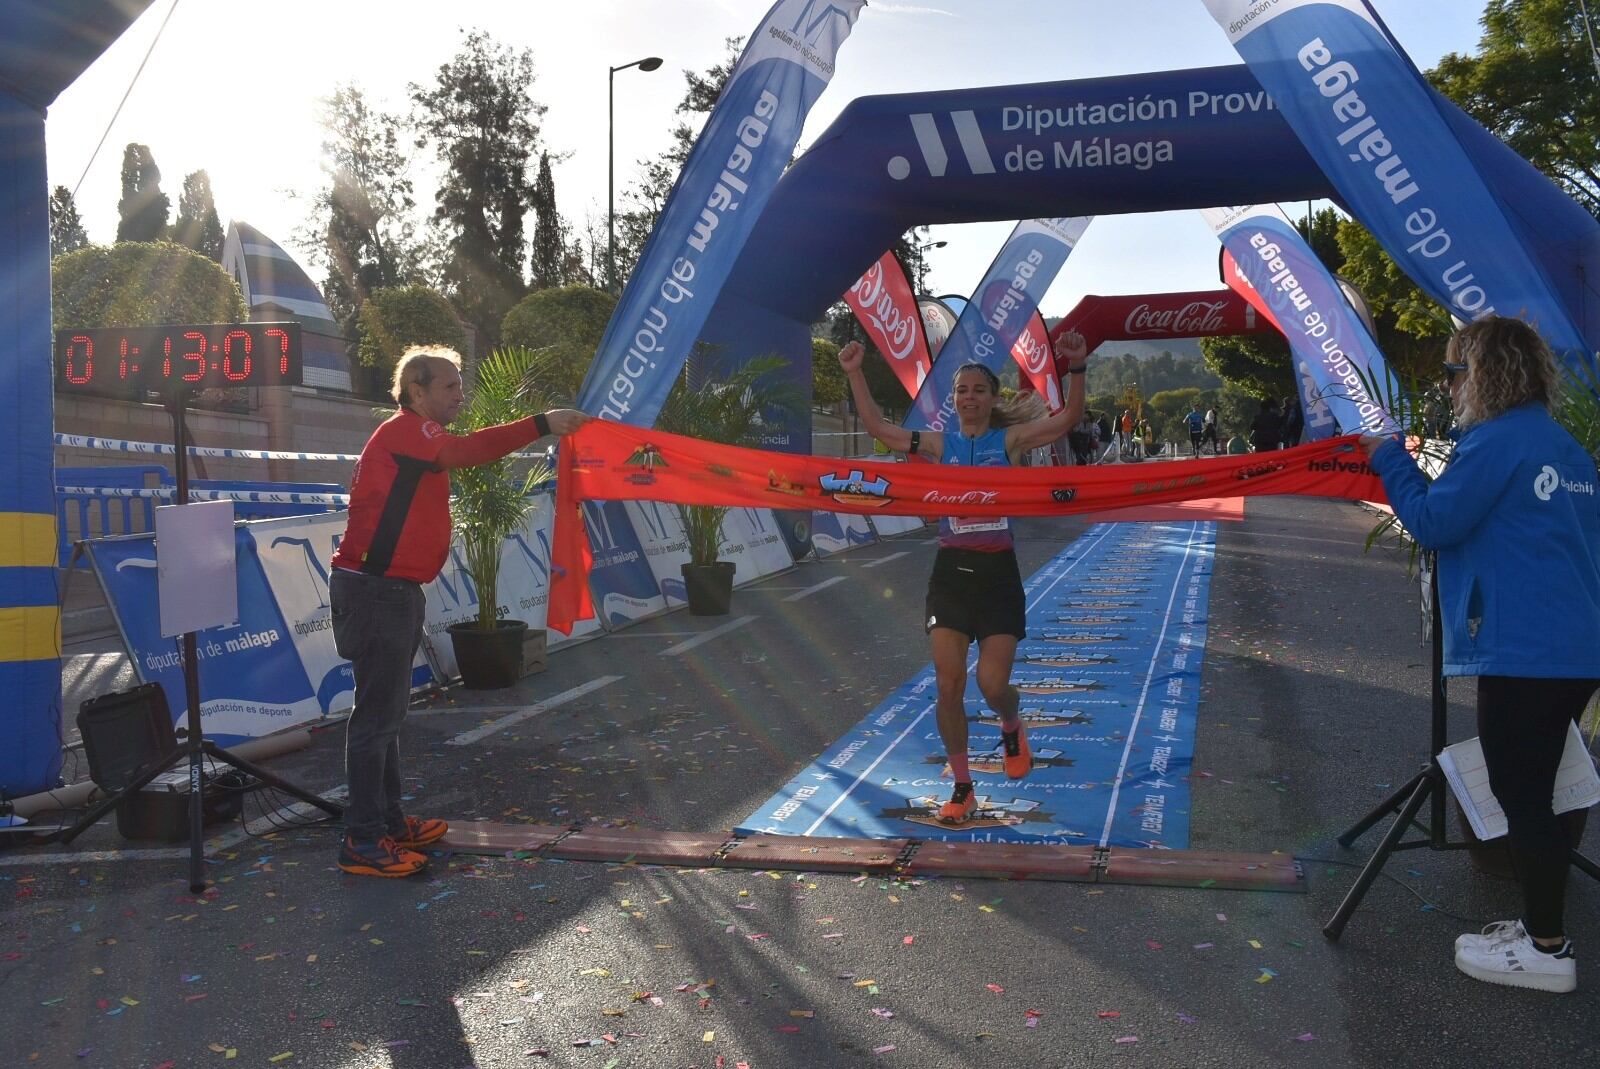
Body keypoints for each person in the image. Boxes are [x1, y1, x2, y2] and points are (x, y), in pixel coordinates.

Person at [1360, 316, 1600, 993]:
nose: (1448, 383)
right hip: (1573, 644)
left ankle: (1548, 947)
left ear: (1484, 372)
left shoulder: (1493, 442)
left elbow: (1435, 520)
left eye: (1452, 370)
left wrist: (1389, 457)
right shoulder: (1563, 447)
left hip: (1525, 649)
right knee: (1536, 791)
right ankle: (1537, 930)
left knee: (1522, 796)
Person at [329, 347, 588, 877]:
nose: (460, 396)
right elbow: (467, 452)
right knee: (377, 719)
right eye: (449, 386)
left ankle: (387, 823)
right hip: (376, 590)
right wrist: (541, 423)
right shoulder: (407, 430)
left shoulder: (413, 434)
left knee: (386, 716)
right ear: (417, 391)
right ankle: (362, 838)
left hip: (390, 590)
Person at [838, 332, 1090, 824]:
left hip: (997, 577)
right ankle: (962, 785)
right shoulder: (939, 444)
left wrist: (1076, 368)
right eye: (961, 390)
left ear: (993, 399)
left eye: (978, 390)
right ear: (952, 401)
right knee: (949, 685)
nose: (969, 398)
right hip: (950, 575)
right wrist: (853, 372)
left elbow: (1068, 419)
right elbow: (878, 427)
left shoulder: (1009, 441)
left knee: (992, 684)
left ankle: (1011, 725)